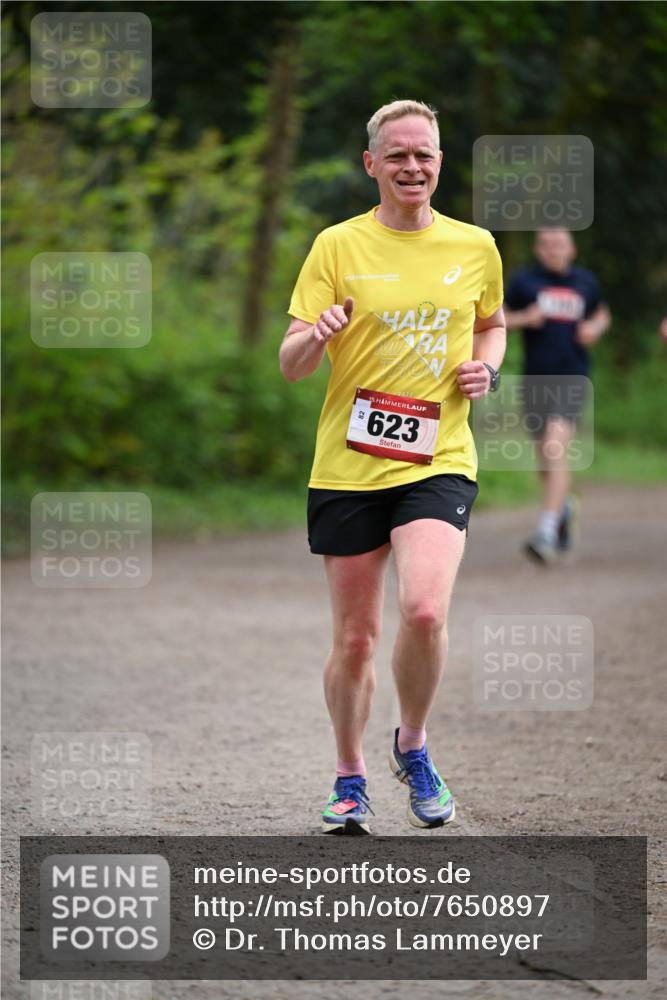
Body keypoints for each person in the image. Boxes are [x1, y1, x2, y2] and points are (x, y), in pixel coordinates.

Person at [279, 100, 505, 834]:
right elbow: (290, 365)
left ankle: (412, 745)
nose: (413, 167)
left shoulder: (474, 246)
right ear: (371, 164)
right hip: (347, 466)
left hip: (437, 457)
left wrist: (485, 370)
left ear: (441, 162)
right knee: (355, 639)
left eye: (425, 155)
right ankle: (349, 776)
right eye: (398, 155)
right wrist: (317, 333)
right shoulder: (336, 247)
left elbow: (491, 326)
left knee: (425, 609)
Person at [503, 229, 611, 565]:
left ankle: (547, 532)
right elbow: (498, 318)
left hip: (573, 377)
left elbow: (602, 313)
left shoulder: (586, 282)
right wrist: (524, 318)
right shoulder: (525, 282)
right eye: (547, 245)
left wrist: (595, 328)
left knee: (555, 446)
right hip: (535, 380)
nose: (553, 250)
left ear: (572, 249)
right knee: (545, 460)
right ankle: (564, 506)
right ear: (538, 249)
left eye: (560, 244)